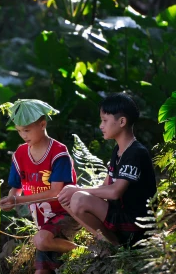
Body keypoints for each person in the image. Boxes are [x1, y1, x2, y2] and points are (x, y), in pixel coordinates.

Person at [0, 99, 80, 274]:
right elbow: (16, 189)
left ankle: (84, 252)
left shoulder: (58, 153)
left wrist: (20, 202)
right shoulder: (20, 154)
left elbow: (56, 192)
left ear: (42, 124)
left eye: (28, 130)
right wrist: (11, 199)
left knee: (42, 240)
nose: (24, 136)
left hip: (67, 214)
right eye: (20, 130)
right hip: (43, 222)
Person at [58, 93, 156, 246]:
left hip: (136, 223)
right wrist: (72, 190)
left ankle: (115, 246)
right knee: (67, 198)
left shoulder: (136, 153)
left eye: (104, 120)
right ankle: (108, 241)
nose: (101, 126)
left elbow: (115, 192)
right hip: (119, 216)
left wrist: (78, 190)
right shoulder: (118, 150)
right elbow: (105, 187)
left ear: (122, 121)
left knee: (77, 197)